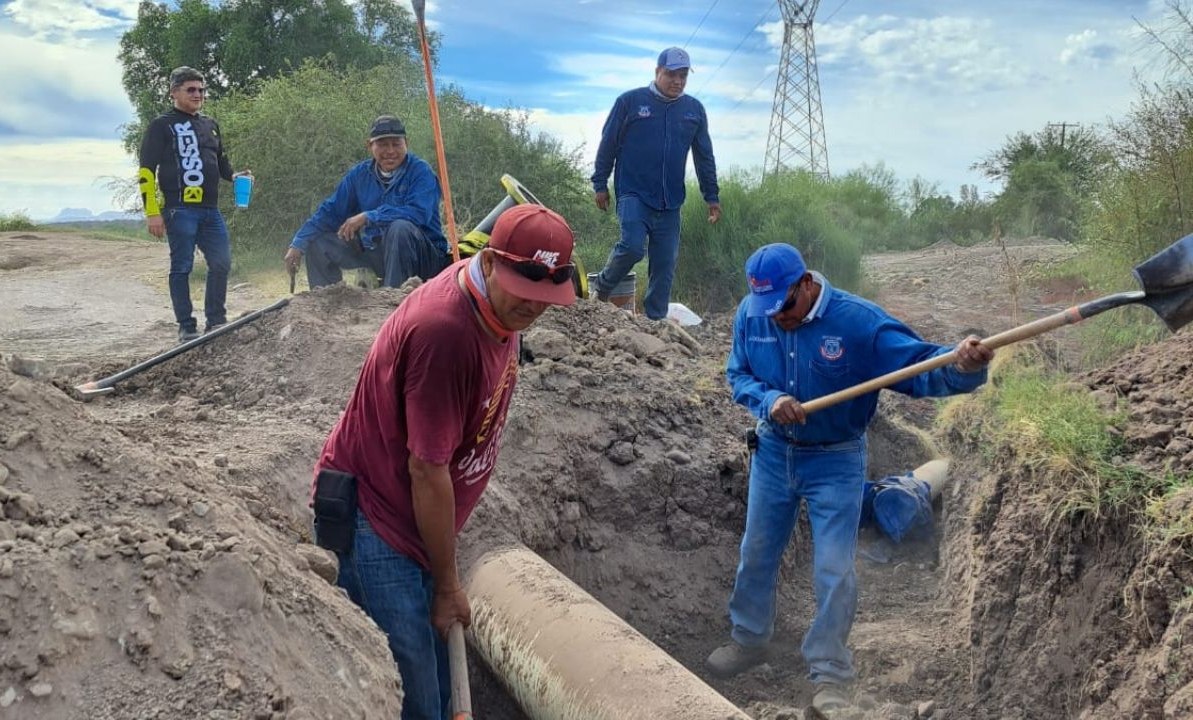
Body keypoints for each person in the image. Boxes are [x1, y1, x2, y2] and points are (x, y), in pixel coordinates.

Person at [311, 204, 577, 719]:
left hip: (417, 523)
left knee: (437, 675)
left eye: (546, 297)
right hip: (378, 523)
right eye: (525, 291)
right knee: (417, 698)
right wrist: (449, 586)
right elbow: (425, 471)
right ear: (494, 262)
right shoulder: (445, 333)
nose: (534, 308)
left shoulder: (499, 304)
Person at [708, 243, 994, 714]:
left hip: (836, 459)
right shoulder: (753, 313)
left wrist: (960, 366)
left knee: (834, 569)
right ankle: (750, 639)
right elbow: (738, 374)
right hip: (775, 451)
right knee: (756, 551)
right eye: (767, 310)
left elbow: (919, 367)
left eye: (785, 308)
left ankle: (829, 672)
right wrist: (769, 399)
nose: (776, 319)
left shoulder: (857, 322)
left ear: (806, 284)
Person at [590, 46, 721, 320]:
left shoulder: (694, 110)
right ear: (657, 72)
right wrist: (599, 183)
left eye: (683, 75)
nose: (677, 81)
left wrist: (712, 196)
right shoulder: (630, 102)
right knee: (633, 246)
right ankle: (601, 288)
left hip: (670, 200)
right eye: (671, 74)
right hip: (634, 193)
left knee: (665, 263)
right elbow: (608, 144)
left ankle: (655, 320)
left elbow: (704, 156)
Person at [138, 66, 251, 343]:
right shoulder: (161, 125)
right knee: (182, 267)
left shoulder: (210, 124)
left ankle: (216, 322)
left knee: (222, 262)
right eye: (191, 89)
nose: (198, 94)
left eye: (201, 90)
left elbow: (222, 162)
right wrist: (152, 211)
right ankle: (186, 326)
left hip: (210, 211)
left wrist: (235, 176)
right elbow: (145, 171)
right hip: (179, 209)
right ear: (174, 92)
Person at [284, 115, 450, 290]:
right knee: (318, 243)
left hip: (424, 257)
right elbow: (330, 212)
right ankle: (327, 305)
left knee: (400, 228)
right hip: (379, 253)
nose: (391, 151)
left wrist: (369, 216)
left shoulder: (421, 171)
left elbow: (419, 214)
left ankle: (393, 301)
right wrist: (298, 243)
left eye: (396, 144)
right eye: (383, 144)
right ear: (370, 146)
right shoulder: (359, 175)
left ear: (406, 144)